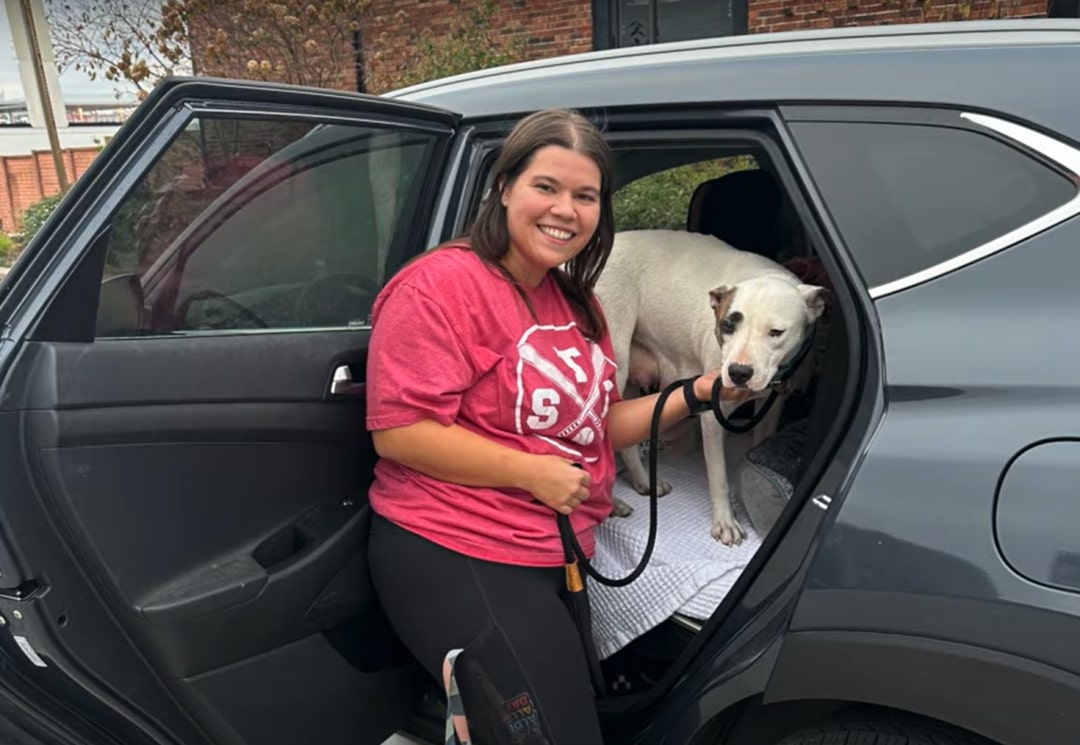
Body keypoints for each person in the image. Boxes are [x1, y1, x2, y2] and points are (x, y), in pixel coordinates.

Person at [365, 107, 747, 745]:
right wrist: (531, 472)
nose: (565, 210)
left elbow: (592, 428)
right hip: (455, 548)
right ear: (505, 186)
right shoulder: (440, 287)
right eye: (547, 187)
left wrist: (699, 392)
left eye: (586, 196)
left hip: (546, 548)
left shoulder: (571, 298)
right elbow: (399, 431)